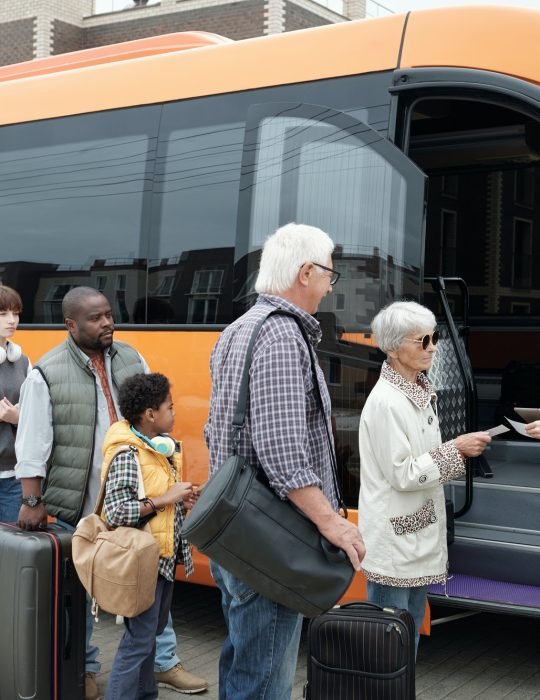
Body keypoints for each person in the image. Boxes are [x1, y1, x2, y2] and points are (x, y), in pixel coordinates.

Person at [14, 286, 207, 699]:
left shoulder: (132, 357)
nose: (107, 323)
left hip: (141, 505)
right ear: (71, 324)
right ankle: (85, 669)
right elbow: (32, 445)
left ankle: (163, 663)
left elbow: (153, 411)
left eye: (109, 314)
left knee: (153, 588)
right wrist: (32, 501)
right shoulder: (45, 373)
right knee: (85, 591)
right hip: (81, 505)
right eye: (96, 318)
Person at [204, 222, 366, 700]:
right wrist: (333, 525)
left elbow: (219, 432)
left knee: (243, 661)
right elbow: (283, 454)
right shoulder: (280, 336)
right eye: (329, 277)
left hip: (241, 530)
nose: (328, 289)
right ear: (305, 273)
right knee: (264, 682)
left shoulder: (240, 329)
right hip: (271, 540)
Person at [358, 300, 491, 654]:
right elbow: (403, 472)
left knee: (407, 633)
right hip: (396, 542)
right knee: (389, 644)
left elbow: (418, 460)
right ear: (392, 348)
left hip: (413, 536)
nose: (433, 347)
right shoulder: (387, 402)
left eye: (435, 338)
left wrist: (455, 449)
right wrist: (456, 449)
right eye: (423, 341)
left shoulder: (415, 391)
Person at [102, 373, 205, 699]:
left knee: (149, 635)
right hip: (142, 562)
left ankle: (146, 694)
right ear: (150, 414)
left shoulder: (161, 449)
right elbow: (116, 511)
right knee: (139, 640)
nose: (174, 414)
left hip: (161, 560)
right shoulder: (129, 454)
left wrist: (180, 500)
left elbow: (160, 500)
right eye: (169, 408)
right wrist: (164, 499)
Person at [0, 286, 31, 522]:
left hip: (13, 474)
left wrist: (17, 418)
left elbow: (36, 414)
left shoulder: (22, 361)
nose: (12, 321)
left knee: (12, 548)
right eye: (3, 314)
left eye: (16, 313)